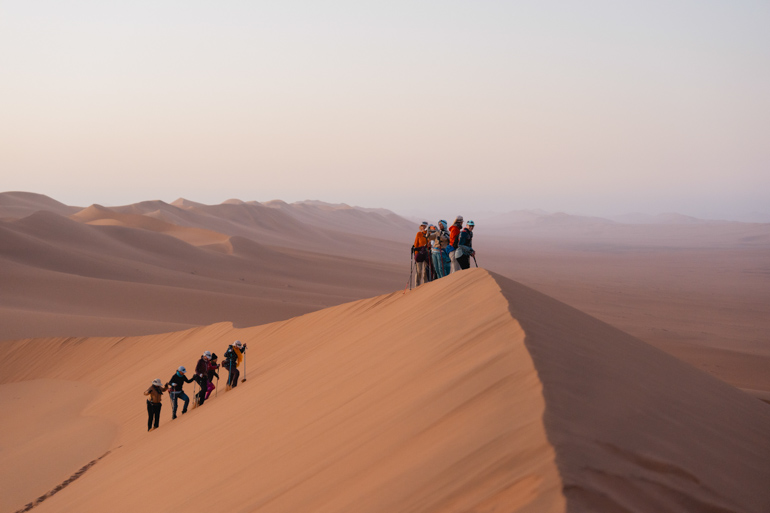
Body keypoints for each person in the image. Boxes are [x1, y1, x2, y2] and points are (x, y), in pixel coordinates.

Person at [412, 222, 430, 286]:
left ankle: (425, 285)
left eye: (425, 226)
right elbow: (416, 244)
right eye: (422, 226)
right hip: (419, 254)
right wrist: (416, 254)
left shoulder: (429, 234)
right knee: (419, 271)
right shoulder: (419, 234)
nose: (423, 227)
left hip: (427, 254)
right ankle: (417, 285)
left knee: (425, 271)